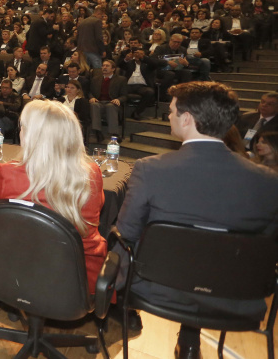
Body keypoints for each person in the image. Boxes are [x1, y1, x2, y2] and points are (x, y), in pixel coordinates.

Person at [115, 82, 278, 359]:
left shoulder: (150, 170)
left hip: (160, 288)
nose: (168, 117)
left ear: (187, 118)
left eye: (171, 111)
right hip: (236, 295)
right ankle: (189, 340)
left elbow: (127, 232)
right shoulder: (269, 182)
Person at [0, 99, 107, 292]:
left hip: (16, 268)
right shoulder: (92, 173)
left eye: (23, 128)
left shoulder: (5, 173)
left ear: (31, 136)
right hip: (77, 280)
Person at [89, 60, 128, 142]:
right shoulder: (95, 79)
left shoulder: (121, 79)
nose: (104, 67)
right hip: (99, 102)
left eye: (107, 66)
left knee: (110, 106)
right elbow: (90, 92)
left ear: (113, 69)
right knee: (94, 105)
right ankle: (98, 132)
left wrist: (118, 99)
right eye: (103, 66)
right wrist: (91, 97)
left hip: (113, 103)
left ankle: (114, 134)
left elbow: (125, 95)